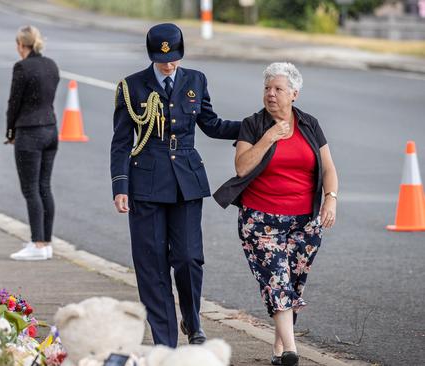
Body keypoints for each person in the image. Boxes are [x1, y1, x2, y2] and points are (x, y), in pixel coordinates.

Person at [110, 23, 241, 347]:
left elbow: (210, 124)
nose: (169, 65)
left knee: (188, 258)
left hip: (186, 180)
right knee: (151, 263)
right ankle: (165, 343)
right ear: (152, 55)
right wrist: (120, 185)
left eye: (174, 58)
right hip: (146, 182)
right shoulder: (132, 87)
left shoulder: (195, 80)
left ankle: (192, 321)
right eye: (162, 59)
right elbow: (122, 142)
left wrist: (253, 126)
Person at [214, 62, 338, 366]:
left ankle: (278, 350)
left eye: (278, 89)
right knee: (278, 282)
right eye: (267, 88)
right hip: (261, 221)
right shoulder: (253, 125)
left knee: (293, 283)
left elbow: (329, 167)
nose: (271, 94)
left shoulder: (309, 124)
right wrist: (269, 137)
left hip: (306, 221)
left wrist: (331, 198)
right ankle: (293, 351)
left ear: (294, 94)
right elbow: (242, 167)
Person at [6, 26, 59, 261]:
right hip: (50, 128)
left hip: (29, 131)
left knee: (30, 189)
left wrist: (10, 131)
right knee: (44, 186)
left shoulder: (22, 67)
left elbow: (14, 102)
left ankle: (36, 243)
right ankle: (46, 242)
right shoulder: (51, 65)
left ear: (21, 45)